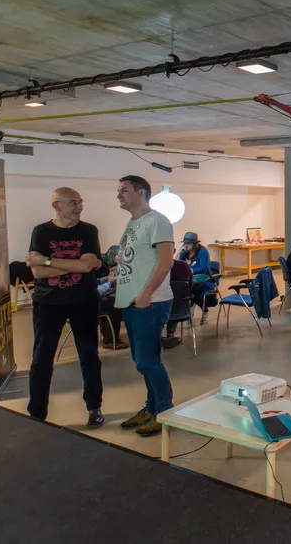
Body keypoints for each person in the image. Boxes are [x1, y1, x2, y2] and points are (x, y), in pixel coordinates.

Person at [25, 187, 105, 428]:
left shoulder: (89, 231)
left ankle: (94, 407)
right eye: (72, 203)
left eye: (80, 202)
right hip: (48, 302)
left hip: (84, 301)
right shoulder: (41, 231)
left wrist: (47, 260)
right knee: (41, 359)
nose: (79, 207)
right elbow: (38, 272)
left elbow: (87, 266)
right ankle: (37, 413)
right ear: (56, 206)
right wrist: (75, 264)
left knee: (89, 356)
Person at [115, 175, 175, 437]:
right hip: (131, 301)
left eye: (124, 190)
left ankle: (165, 412)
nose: (119, 195)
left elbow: (166, 262)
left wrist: (146, 295)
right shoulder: (133, 222)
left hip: (150, 302)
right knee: (141, 362)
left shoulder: (158, 221)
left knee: (149, 362)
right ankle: (151, 407)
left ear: (140, 192)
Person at [178, 232, 216, 325]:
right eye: (185, 243)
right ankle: (191, 306)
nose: (186, 245)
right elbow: (179, 264)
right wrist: (180, 252)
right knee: (182, 289)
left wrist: (190, 270)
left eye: (188, 243)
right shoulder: (185, 252)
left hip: (205, 280)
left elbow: (203, 268)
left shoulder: (203, 252)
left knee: (192, 290)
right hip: (191, 280)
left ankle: (204, 310)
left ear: (194, 244)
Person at [96, 246, 128, 350]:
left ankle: (110, 337)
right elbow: (96, 288)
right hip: (94, 298)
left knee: (114, 301)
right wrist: (109, 281)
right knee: (113, 304)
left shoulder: (113, 264)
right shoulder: (98, 265)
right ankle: (110, 340)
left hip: (104, 295)